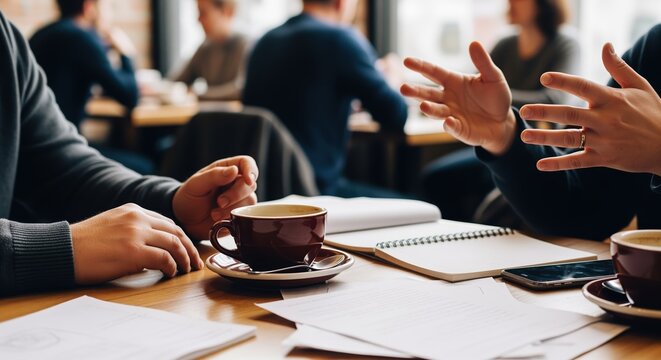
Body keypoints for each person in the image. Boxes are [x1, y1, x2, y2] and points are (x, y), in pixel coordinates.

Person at [0, 11, 258, 296]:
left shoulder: (7, 38)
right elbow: (128, 93)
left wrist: (170, 204)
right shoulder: (80, 38)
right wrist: (60, 249)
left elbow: (64, 169)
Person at [402, 24, 661, 241]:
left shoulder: (565, 43)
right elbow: (582, 209)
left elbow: (552, 96)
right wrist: (504, 136)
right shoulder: (654, 50)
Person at [420, 0, 580, 223]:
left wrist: (495, 97)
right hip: (496, 141)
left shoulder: (566, 44)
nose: (509, 3)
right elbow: (473, 84)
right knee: (435, 178)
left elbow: (554, 100)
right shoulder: (506, 44)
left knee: (440, 179)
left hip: (534, 148)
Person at [243, 0, 409, 198]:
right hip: (318, 194)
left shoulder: (264, 41)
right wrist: (391, 77)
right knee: (426, 207)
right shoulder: (341, 39)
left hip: (263, 194)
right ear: (341, 3)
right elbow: (396, 115)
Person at [30, 0, 153, 174]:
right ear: (89, 8)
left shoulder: (44, 33)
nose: (109, 15)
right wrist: (127, 53)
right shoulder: (80, 37)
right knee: (146, 167)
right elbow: (129, 96)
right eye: (106, 6)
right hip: (60, 152)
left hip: (34, 150)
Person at [173, 0, 249, 101]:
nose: (198, 20)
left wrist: (197, 94)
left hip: (235, 115)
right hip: (213, 114)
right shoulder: (205, 48)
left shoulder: (247, 46)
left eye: (203, 13)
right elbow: (176, 82)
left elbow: (240, 90)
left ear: (227, 12)